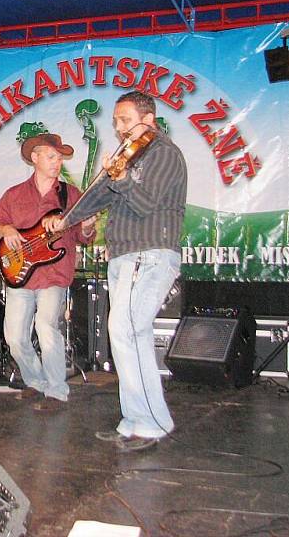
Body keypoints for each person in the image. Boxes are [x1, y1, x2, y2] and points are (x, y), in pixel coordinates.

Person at [55, 91, 187, 451]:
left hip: (149, 254)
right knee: (131, 333)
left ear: (148, 118)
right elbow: (99, 198)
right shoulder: (131, 156)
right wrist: (66, 219)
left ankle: (153, 421)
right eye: (115, 122)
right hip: (126, 257)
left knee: (125, 329)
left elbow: (144, 203)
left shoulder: (163, 152)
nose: (118, 129)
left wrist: (123, 175)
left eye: (124, 120)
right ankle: (134, 420)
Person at [0, 133, 91, 411]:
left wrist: (88, 224)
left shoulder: (71, 195)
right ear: (34, 158)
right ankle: (36, 382)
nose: (57, 163)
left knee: (46, 327)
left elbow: (85, 236)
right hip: (19, 274)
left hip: (54, 273)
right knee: (14, 337)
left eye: (59, 158)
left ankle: (57, 391)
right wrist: (6, 231)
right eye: (51, 157)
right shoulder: (14, 194)